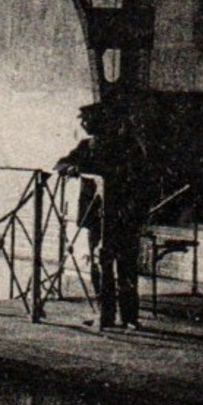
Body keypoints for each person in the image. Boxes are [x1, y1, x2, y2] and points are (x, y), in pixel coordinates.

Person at [56, 95, 152, 330]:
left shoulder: (129, 147)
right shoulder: (87, 147)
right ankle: (105, 315)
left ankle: (129, 316)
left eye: (90, 121)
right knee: (100, 266)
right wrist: (72, 168)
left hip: (123, 216)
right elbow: (60, 164)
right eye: (85, 122)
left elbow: (143, 179)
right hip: (97, 217)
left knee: (126, 266)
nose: (86, 126)